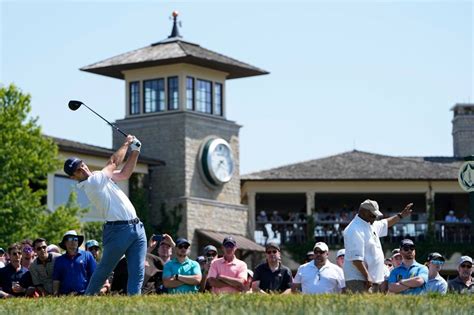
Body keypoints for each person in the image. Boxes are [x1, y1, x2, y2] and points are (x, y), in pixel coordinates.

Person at [64, 135, 146, 296]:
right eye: (78, 170)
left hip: (137, 227)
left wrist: (135, 151)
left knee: (137, 271)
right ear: (74, 177)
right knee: (103, 271)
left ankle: (135, 305)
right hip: (118, 231)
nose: (83, 169)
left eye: (82, 165)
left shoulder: (97, 176)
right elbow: (113, 162)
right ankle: (88, 300)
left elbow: (123, 174)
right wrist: (127, 143)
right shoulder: (92, 184)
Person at [343, 199, 413, 293]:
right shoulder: (354, 229)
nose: (375, 218)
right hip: (360, 279)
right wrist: (367, 276)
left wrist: (401, 215)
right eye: (372, 215)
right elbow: (356, 259)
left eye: (376, 216)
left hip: (370, 279)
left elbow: (386, 223)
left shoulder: (369, 223)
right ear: (363, 212)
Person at [52, 230, 96, 295]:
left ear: (78, 242)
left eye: (76, 239)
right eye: (70, 239)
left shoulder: (88, 255)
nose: (73, 241)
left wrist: (92, 293)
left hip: (84, 295)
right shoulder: (59, 260)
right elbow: (56, 280)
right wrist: (55, 295)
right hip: (65, 296)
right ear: (65, 243)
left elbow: (94, 276)